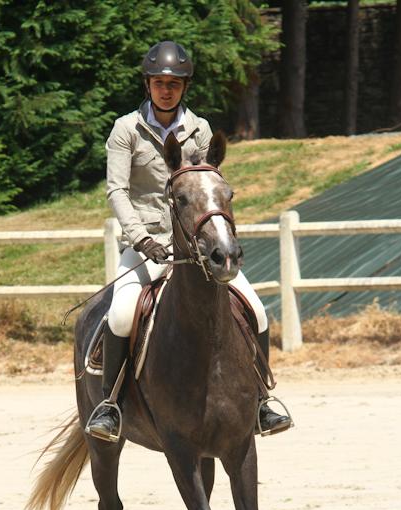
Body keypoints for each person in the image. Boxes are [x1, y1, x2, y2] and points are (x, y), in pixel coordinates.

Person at [86, 41, 291, 442]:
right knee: (123, 313)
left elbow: (206, 188)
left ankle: (262, 401)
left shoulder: (200, 129)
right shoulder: (126, 130)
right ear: (148, 85)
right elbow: (117, 191)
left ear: (184, 87)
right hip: (146, 244)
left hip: (195, 246)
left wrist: (210, 239)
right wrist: (141, 238)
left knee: (257, 309)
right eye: (160, 83)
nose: (166, 90)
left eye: (174, 84)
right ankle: (110, 405)